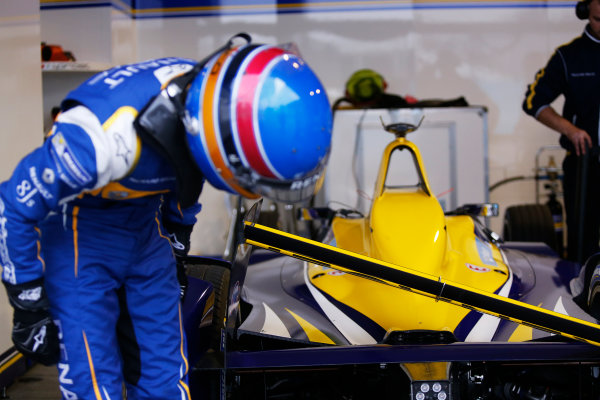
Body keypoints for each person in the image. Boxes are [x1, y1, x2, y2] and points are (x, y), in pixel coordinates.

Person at [0, 33, 332, 400]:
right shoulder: (101, 139)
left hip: (147, 232)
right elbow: (13, 204)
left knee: (165, 376)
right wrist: (27, 302)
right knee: (92, 381)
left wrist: (177, 245)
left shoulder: (211, 99)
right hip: (77, 236)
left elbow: (187, 176)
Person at [522, 0, 600, 263]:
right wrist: (570, 130)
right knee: (584, 243)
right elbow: (533, 101)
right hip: (585, 166)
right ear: (585, 12)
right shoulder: (569, 56)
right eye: (599, 19)